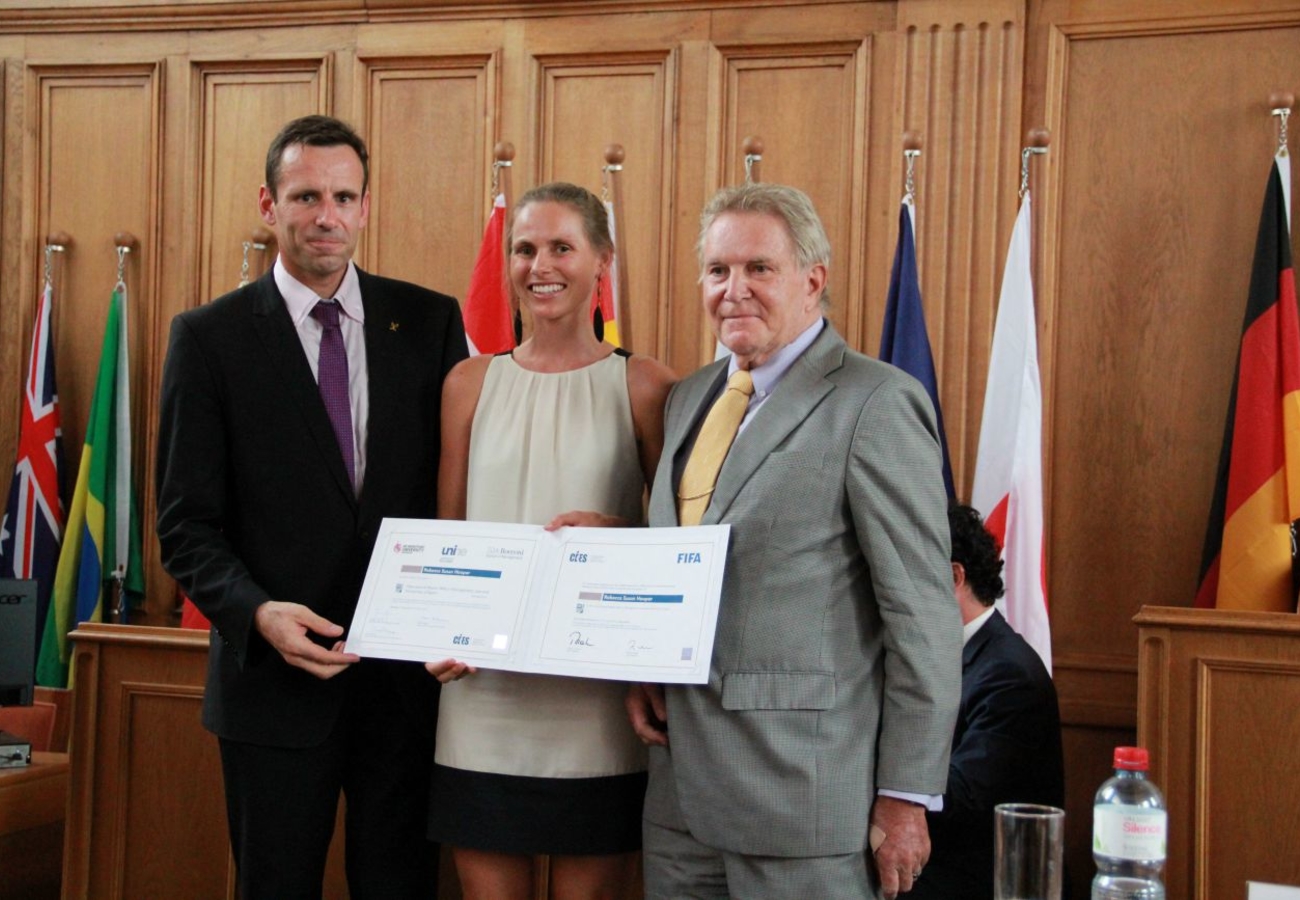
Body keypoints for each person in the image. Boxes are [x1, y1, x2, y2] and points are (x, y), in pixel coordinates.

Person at [155, 114, 468, 899]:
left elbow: (461, 495)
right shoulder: (209, 338)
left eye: (343, 197)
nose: (327, 215)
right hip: (272, 692)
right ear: (269, 205)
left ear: (365, 206)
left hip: (404, 689)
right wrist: (258, 614)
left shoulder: (429, 322)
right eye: (305, 197)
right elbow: (185, 526)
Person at [626, 182, 963, 900]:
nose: (734, 290)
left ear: (813, 280)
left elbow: (923, 617)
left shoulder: (876, 403)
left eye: (759, 268)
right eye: (718, 270)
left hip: (803, 804)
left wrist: (906, 795)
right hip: (679, 799)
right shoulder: (688, 399)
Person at [425, 182, 676, 900]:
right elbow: (448, 537)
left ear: (602, 260)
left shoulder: (646, 385)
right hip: (482, 695)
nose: (541, 266)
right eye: (525, 249)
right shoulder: (468, 382)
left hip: (596, 700)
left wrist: (616, 534)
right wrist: (436, 627)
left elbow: (683, 542)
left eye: (562, 247)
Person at [908, 503, 1065, 900]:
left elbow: (964, 799)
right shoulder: (936, 657)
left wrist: (872, 768)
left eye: (910, 574)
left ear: (953, 576)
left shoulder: (1009, 675)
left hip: (978, 881)